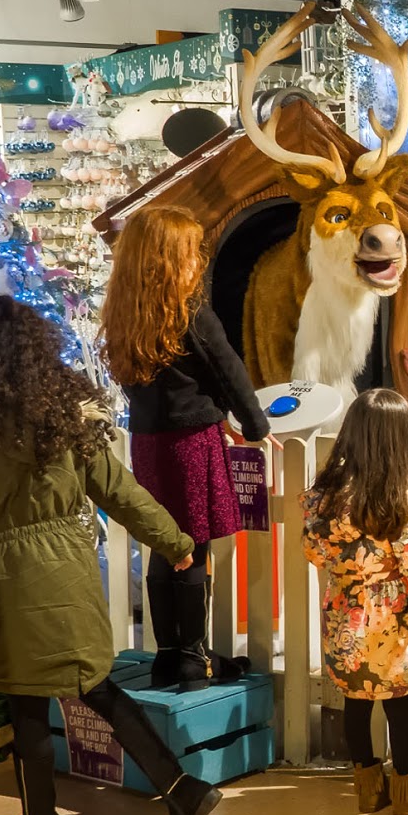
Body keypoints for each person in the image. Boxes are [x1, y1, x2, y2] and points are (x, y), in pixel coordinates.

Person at [0, 297, 221, 815]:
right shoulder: (63, 415)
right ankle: (181, 792)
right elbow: (119, 489)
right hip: (72, 574)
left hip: (9, 591)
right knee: (93, 685)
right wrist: (176, 543)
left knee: (28, 705)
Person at [101, 205, 270, 689]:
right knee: (192, 548)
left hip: (150, 444)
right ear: (171, 258)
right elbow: (228, 370)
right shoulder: (189, 311)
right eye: (191, 250)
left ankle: (169, 654)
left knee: (163, 543)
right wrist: (255, 427)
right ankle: (196, 657)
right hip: (192, 442)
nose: (198, 258)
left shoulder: (125, 312)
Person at [301, 389, 408, 815]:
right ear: (397, 440)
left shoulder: (325, 495)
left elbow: (315, 551)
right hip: (394, 622)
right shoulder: (397, 496)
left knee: (356, 701)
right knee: (400, 705)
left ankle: (368, 789)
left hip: (347, 615)